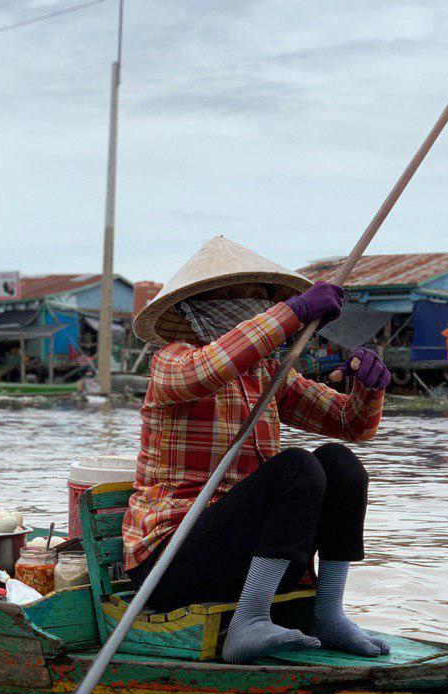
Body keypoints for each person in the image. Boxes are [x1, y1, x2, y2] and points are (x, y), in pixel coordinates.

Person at [124, 236, 392, 665]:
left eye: (264, 297)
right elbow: (209, 369)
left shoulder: (268, 374)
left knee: (340, 465)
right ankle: (247, 623)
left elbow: (351, 425)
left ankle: (328, 614)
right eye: (243, 295)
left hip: (242, 557)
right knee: (296, 469)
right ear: (201, 304)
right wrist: (294, 312)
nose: (257, 303)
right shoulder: (171, 362)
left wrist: (368, 387)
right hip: (170, 561)